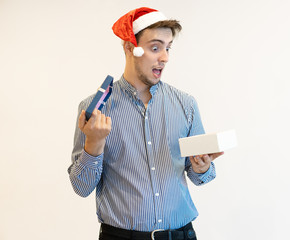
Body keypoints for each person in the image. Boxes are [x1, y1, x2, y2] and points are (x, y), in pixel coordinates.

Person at [68, 7, 224, 240]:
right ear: (130, 47)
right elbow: (81, 187)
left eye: (168, 48)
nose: (165, 57)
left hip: (182, 235)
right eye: (155, 47)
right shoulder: (94, 109)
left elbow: (199, 176)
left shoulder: (186, 105)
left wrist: (202, 168)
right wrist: (94, 142)